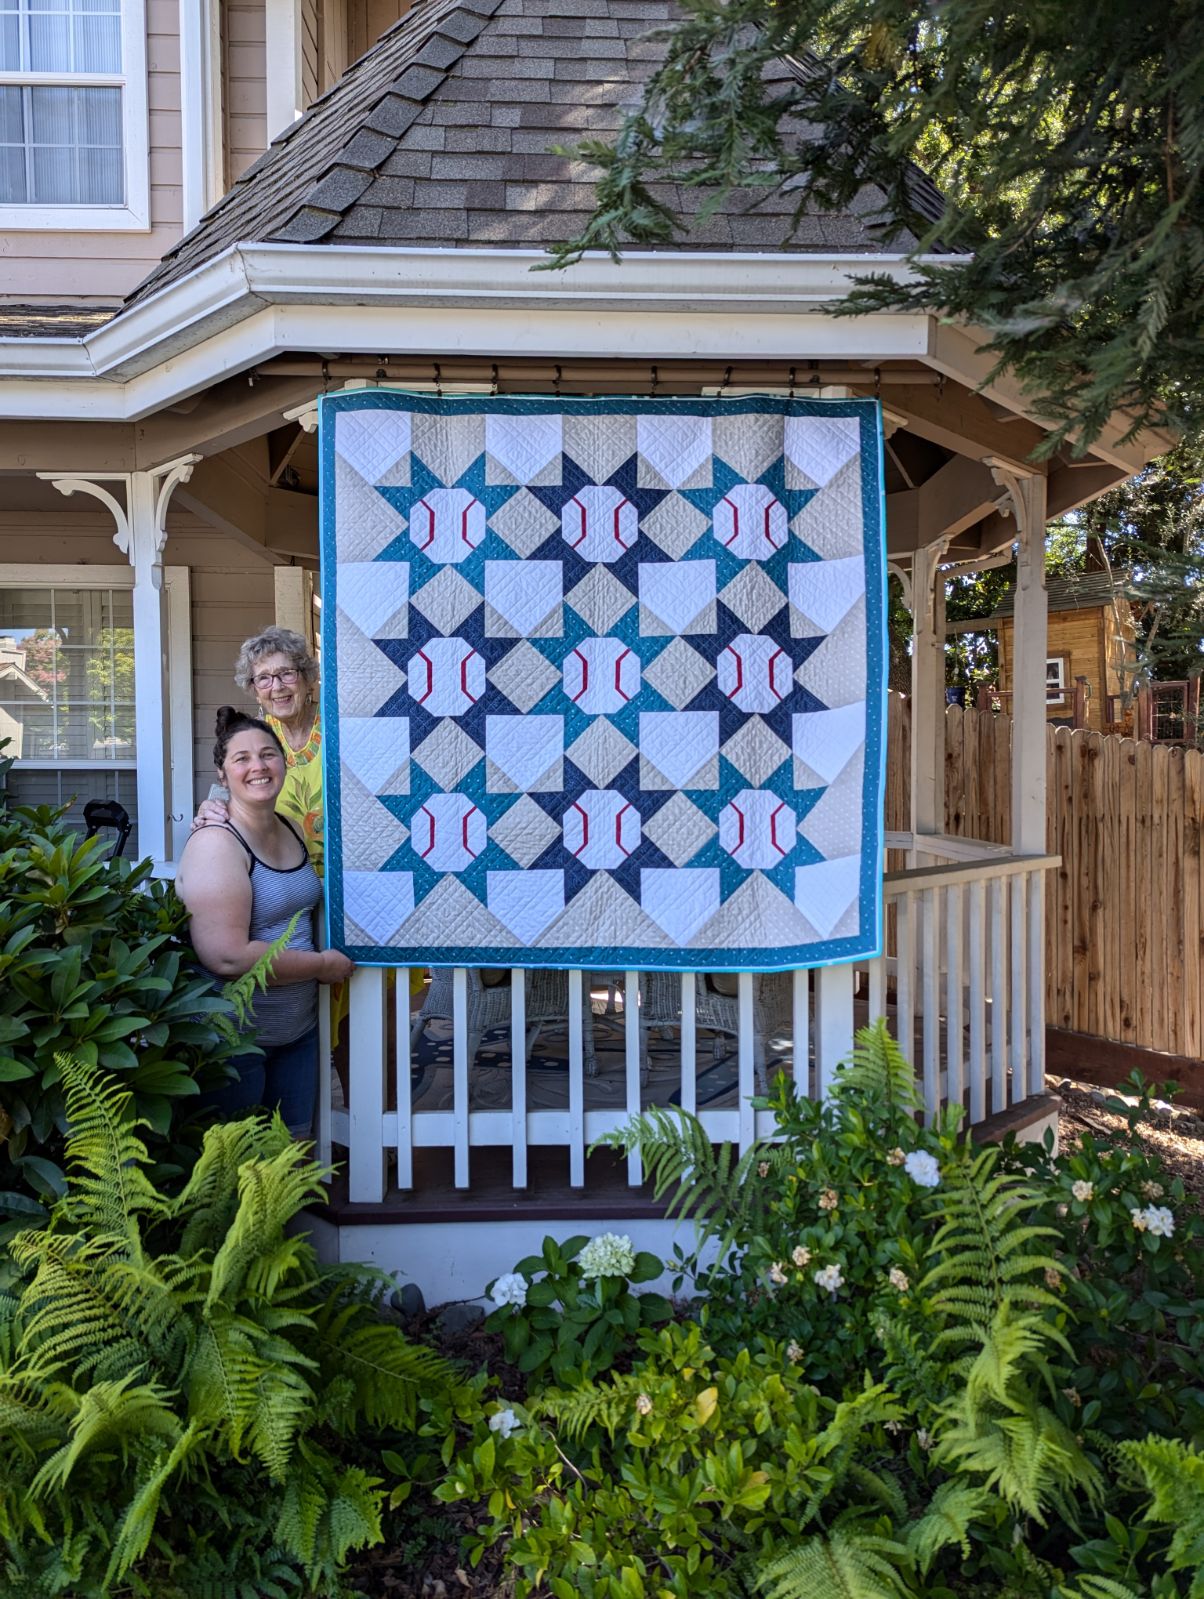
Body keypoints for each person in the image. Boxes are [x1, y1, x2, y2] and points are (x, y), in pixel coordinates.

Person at [177, 707, 354, 1132]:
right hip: (233, 1041)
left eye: (268, 754)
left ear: (284, 762)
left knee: (287, 1160)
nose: (258, 766)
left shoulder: (290, 827)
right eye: (241, 759)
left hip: (297, 1034)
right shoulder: (217, 843)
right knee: (233, 1174)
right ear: (222, 775)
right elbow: (228, 958)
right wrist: (323, 966)